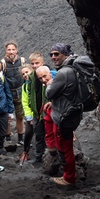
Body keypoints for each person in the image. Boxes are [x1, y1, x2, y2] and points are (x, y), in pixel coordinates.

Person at [44, 42, 83, 187]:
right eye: (51, 54)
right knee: (67, 146)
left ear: (65, 55)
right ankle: (69, 175)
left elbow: (49, 93)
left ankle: (69, 178)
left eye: (57, 54)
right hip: (72, 112)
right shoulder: (73, 68)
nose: (53, 57)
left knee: (65, 148)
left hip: (64, 117)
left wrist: (50, 83)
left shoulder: (63, 73)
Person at [21, 64, 50, 164]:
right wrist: (30, 115)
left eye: (27, 72)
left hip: (45, 113)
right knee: (37, 135)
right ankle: (37, 156)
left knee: (48, 135)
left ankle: (48, 156)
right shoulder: (26, 86)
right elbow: (26, 101)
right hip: (35, 114)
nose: (25, 75)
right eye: (23, 74)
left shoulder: (46, 81)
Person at [1, 42, 26, 143]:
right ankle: (8, 137)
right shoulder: (3, 63)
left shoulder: (22, 61)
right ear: (6, 51)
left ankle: (21, 138)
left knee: (20, 117)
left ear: (16, 50)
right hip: (8, 94)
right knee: (8, 117)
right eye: (9, 50)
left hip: (20, 93)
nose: (11, 52)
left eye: (13, 49)